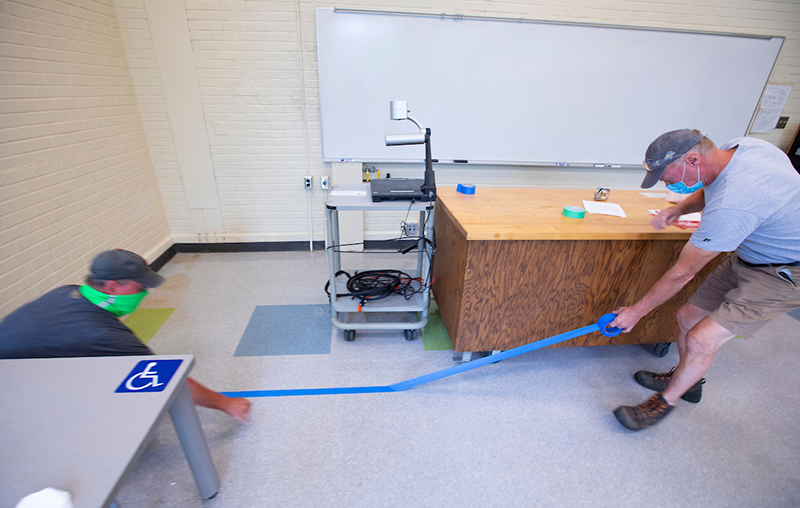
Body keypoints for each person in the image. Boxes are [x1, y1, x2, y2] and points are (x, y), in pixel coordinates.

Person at [610, 129, 800, 431]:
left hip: (785, 273)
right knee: (687, 316)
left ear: (693, 159)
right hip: (750, 256)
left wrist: (636, 311)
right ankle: (689, 381)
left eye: (667, 175)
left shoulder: (733, 204)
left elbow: (682, 273)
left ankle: (665, 402)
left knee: (701, 339)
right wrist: (680, 209)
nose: (664, 182)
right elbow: (712, 184)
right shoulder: (741, 148)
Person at [0, 249, 252, 424]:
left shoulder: (69, 292)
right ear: (112, 286)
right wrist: (225, 403)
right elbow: (164, 378)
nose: (144, 292)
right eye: (140, 286)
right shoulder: (99, 332)